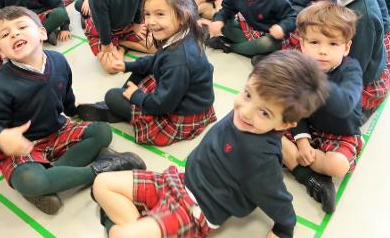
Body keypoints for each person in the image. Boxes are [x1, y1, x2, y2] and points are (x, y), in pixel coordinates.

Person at [92, 50, 328, 238]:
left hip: (193, 211)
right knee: (101, 183)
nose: (245, 112)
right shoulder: (247, 118)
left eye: (264, 113)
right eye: (247, 94)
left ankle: (128, 223)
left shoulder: (260, 157)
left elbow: (276, 195)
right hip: (176, 181)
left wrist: (284, 228)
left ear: (286, 125)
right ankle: (145, 224)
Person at [0, 6, 146, 214]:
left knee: (102, 131)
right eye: (5, 34)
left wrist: (72, 109)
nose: (14, 34)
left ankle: (54, 180)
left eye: (22, 26)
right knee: (29, 180)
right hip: (24, 145)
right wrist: (2, 137)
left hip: (57, 129)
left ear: (42, 33)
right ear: (1, 51)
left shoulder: (58, 60)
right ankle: (102, 169)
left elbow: (65, 92)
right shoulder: (0, 84)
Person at [78, 0, 216, 146]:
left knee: (112, 96)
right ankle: (122, 105)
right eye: (147, 14)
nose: (150, 21)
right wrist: (128, 65)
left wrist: (136, 96)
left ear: (183, 16)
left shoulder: (178, 60)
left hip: (181, 115)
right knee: (142, 69)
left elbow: (161, 105)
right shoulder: (183, 34)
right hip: (185, 99)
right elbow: (156, 60)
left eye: (160, 14)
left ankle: (120, 108)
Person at [282, 1, 363, 214]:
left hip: (340, 132)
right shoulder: (300, 67)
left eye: (333, 44)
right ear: (302, 44)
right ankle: (309, 176)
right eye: (315, 42)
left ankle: (303, 165)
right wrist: (303, 141)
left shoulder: (351, 70)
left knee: (338, 166)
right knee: (267, 133)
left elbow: (344, 106)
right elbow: (295, 108)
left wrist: (315, 79)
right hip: (309, 125)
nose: (323, 51)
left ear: (346, 47)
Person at [319, 0, 390, 121]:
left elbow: (357, 65)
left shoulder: (363, 17)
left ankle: (361, 112)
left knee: (332, 115)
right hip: (344, 47)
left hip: (363, 74)